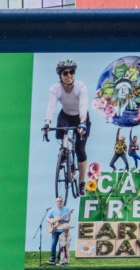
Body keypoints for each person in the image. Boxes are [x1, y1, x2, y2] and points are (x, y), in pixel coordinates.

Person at [42, 58, 90, 191]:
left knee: (80, 150)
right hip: (65, 116)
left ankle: (81, 182)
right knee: (60, 135)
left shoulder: (81, 87)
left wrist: (82, 122)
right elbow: (51, 107)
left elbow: (83, 105)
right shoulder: (55, 89)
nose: (69, 75)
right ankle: (65, 153)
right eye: (65, 73)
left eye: (72, 72)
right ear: (60, 75)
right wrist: (47, 124)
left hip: (81, 116)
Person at [47, 197, 72, 266]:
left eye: (60, 201)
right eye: (57, 201)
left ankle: (59, 259)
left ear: (62, 202)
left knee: (61, 245)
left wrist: (62, 220)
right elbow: (48, 218)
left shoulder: (67, 209)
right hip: (55, 229)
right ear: (56, 202)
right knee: (53, 244)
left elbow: (68, 220)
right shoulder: (53, 210)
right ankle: (52, 259)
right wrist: (52, 221)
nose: (59, 202)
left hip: (63, 230)